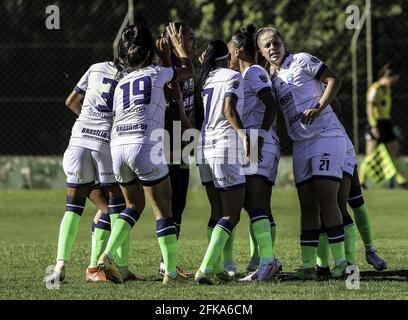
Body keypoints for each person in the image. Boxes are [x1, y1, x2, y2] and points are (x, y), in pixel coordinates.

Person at [97, 23, 195, 285]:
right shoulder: (156, 73)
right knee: (164, 212)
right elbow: (187, 71)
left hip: (118, 147)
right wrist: (177, 49)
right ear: (151, 50)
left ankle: (106, 256)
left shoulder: (122, 83)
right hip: (143, 145)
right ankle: (171, 274)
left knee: (132, 206)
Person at [45, 39, 139, 284]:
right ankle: (121, 268)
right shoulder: (131, 78)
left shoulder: (95, 67)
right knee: (118, 206)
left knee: (73, 209)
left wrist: (87, 121)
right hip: (104, 145)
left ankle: (59, 266)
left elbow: (71, 102)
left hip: (78, 141)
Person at [256, 27, 347, 280]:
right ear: (262, 52)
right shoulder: (270, 78)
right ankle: (310, 266)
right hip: (300, 144)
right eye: (267, 45)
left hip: (325, 136)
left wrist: (318, 107)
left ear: (283, 43)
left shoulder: (302, 60)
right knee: (307, 204)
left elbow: (334, 80)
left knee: (327, 198)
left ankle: (341, 263)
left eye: (276, 42)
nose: (272, 47)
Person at [228, 24, 282, 282]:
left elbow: (271, 105)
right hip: (260, 143)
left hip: (261, 144)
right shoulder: (244, 74)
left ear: (237, 51)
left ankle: (268, 261)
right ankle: (262, 261)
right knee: (260, 206)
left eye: (230, 47)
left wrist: (258, 137)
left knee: (252, 202)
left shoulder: (253, 72)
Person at [194, 39, 249, 284]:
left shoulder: (203, 79)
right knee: (232, 214)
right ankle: (205, 269)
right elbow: (229, 109)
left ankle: (217, 268)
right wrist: (246, 136)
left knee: (217, 212)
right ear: (226, 56)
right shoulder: (232, 76)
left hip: (203, 149)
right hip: (225, 148)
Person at [157, 22, 197, 277]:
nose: (194, 43)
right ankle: (165, 264)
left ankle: (167, 262)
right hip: (168, 143)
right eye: (189, 39)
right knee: (171, 203)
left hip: (181, 143)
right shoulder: (170, 69)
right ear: (176, 42)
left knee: (179, 202)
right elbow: (173, 110)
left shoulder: (184, 67)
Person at [361, 64, 407, 187]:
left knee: (395, 152)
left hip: (386, 122)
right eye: (393, 79)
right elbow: (369, 108)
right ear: (387, 76)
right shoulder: (374, 88)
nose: (394, 82)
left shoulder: (387, 88)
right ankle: (360, 181)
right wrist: (374, 126)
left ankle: (402, 180)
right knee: (370, 155)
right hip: (376, 123)